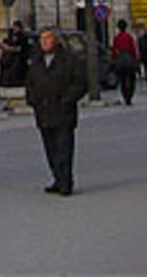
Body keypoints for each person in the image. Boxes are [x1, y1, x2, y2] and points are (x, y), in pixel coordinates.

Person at [25, 28, 87, 196]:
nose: (44, 42)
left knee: (64, 149)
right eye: (42, 39)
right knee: (50, 149)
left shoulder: (69, 60)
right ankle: (57, 178)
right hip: (43, 111)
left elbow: (80, 82)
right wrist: (32, 99)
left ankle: (66, 181)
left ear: (56, 41)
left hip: (63, 111)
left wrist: (68, 98)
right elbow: (30, 82)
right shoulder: (36, 61)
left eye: (48, 39)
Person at [111, 19, 138, 106]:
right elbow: (133, 49)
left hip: (120, 61)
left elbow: (114, 50)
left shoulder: (116, 38)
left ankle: (125, 95)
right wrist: (136, 60)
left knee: (122, 80)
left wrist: (114, 60)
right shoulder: (129, 37)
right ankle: (130, 96)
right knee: (132, 78)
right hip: (129, 60)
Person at [0, 20, 31, 88]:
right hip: (9, 58)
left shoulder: (23, 37)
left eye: (16, 27)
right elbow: (4, 42)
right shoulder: (10, 35)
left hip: (18, 58)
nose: (15, 29)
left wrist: (10, 48)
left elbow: (21, 48)